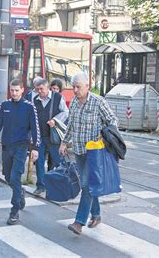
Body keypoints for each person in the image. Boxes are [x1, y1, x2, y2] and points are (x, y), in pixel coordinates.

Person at [60, 72, 118, 235]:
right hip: (78, 150)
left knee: (86, 185)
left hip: (94, 153)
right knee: (89, 185)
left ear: (88, 86)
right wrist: (64, 142)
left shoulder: (98, 102)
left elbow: (113, 121)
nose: (75, 90)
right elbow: (70, 124)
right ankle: (97, 214)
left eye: (78, 87)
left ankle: (79, 222)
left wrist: (104, 134)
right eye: (73, 87)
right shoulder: (74, 104)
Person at [0, 79, 40, 225]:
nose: (14, 93)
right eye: (12, 90)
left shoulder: (29, 107)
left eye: (17, 90)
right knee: (8, 177)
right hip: (6, 147)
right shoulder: (5, 106)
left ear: (22, 90)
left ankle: (14, 210)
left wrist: (35, 148)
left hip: (21, 148)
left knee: (15, 177)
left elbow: (35, 129)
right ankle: (20, 192)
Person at [32, 78, 69, 195]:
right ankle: (41, 185)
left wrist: (55, 120)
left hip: (53, 136)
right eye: (37, 89)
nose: (39, 91)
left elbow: (65, 112)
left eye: (41, 89)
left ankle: (63, 184)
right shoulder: (35, 100)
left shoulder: (57, 97)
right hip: (40, 136)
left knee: (58, 161)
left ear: (47, 87)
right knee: (39, 161)